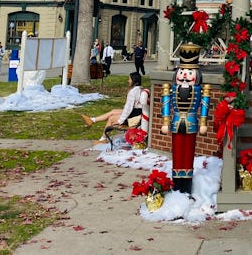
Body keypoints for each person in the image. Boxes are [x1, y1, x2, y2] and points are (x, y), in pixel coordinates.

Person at [160, 45, 211, 193]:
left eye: (189, 72)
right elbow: (166, 103)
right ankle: (177, 183)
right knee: (177, 153)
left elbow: (204, 105)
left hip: (191, 122)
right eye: (182, 71)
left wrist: (203, 123)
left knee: (188, 154)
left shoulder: (200, 90)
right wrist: (165, 122)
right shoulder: (171, 88)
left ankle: (186, 186)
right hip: (176, 122)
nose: (184, 75)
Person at [81, 72, 149, 143]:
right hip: (137, 112)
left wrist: (120, 121)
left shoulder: (133, 92)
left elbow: (128, 108)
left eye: (129, 79)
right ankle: (92, 120)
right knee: (113, 111)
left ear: (133, 80)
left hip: (135, 117)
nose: (128, 81)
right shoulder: (139, 89)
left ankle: (102, 139)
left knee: (111, 118)